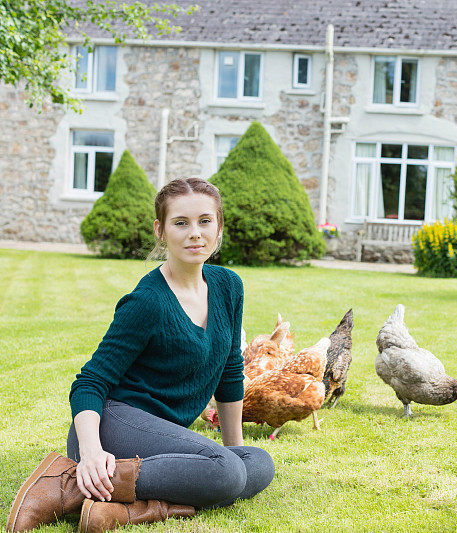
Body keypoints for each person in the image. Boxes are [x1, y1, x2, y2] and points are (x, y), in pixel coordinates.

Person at [5, 178, 274, 533]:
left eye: (205, 221)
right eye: (181, 223)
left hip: (160, 440)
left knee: (259, 463)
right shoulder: (148, 300)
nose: (195, 232)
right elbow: (89, 382)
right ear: (160, 231)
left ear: (219, 226)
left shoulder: (228, 286)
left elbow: (229, 373)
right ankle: (69, 481)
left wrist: (235, 452)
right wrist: (90, 451)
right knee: (226, 473)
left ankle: (120, 510)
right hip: (114, 426)